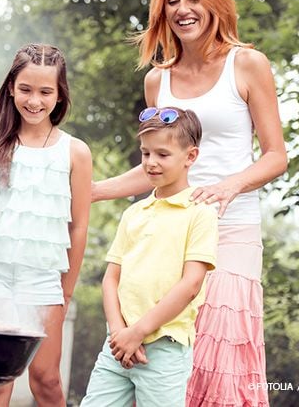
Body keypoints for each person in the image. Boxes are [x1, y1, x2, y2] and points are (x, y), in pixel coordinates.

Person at [92, 0, 288, 406]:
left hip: (231, 229)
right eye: (173, 0)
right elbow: (156, 165)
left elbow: (276, 156)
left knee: (220, 359)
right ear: (162, 12)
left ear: (215, 4)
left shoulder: (247, 64)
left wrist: (229, 185)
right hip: (169, 236)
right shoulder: (157, 81)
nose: (184, 9)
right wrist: (95, 190)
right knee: (166, 355)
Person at [0, 43, 92, 407]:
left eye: (45, 92)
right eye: (26, 89)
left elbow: (79, 227)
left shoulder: (75, 153)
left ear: (59, 94)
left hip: (43, 278)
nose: (34, 100)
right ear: (11, 88)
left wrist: (66, 291)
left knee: (46, 380)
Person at [81, 106, 218, 406]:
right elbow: (110, 280)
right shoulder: (134, 213)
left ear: (190, 157)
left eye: (162, 154)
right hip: (117, 346)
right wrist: (120, 333)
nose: (151, 163)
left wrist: (139, 332)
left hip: (164, 349)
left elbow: (191, 284)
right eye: (145, 154)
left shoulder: (200, 213)